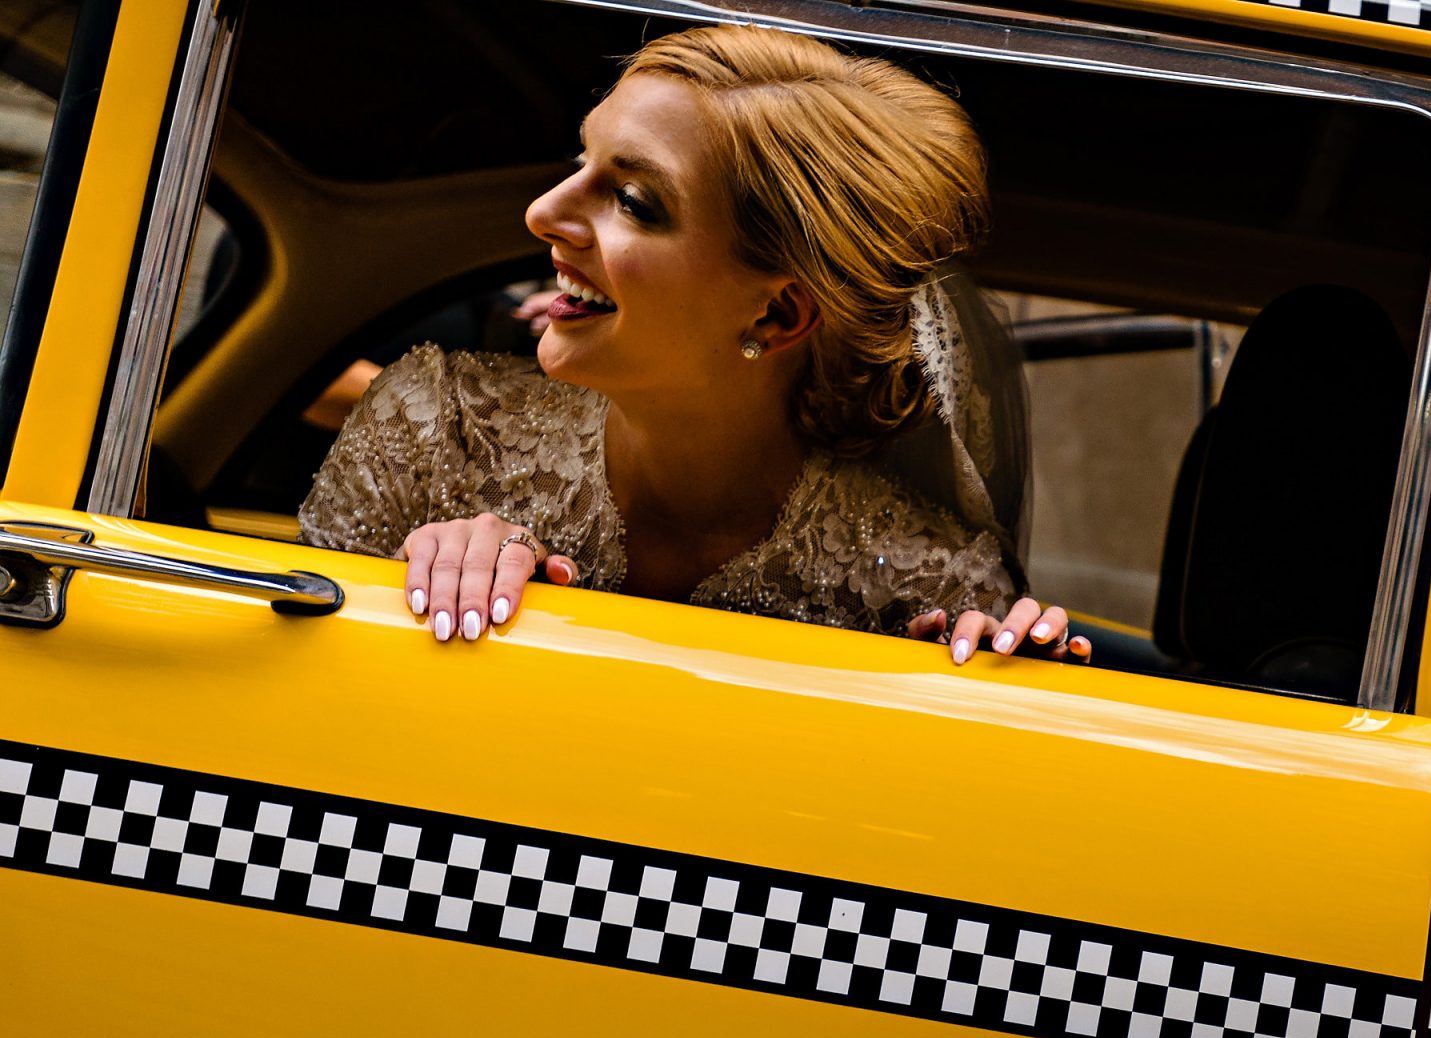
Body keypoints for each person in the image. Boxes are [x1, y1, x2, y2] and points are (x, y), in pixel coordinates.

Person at [298, 24, 1081, 666]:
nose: (543, 212)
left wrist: (1004, 684)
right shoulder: (435, 434)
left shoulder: (928, 587)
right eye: (582, 161)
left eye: (635, 201)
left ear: (777, 318)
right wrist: (404, 592)